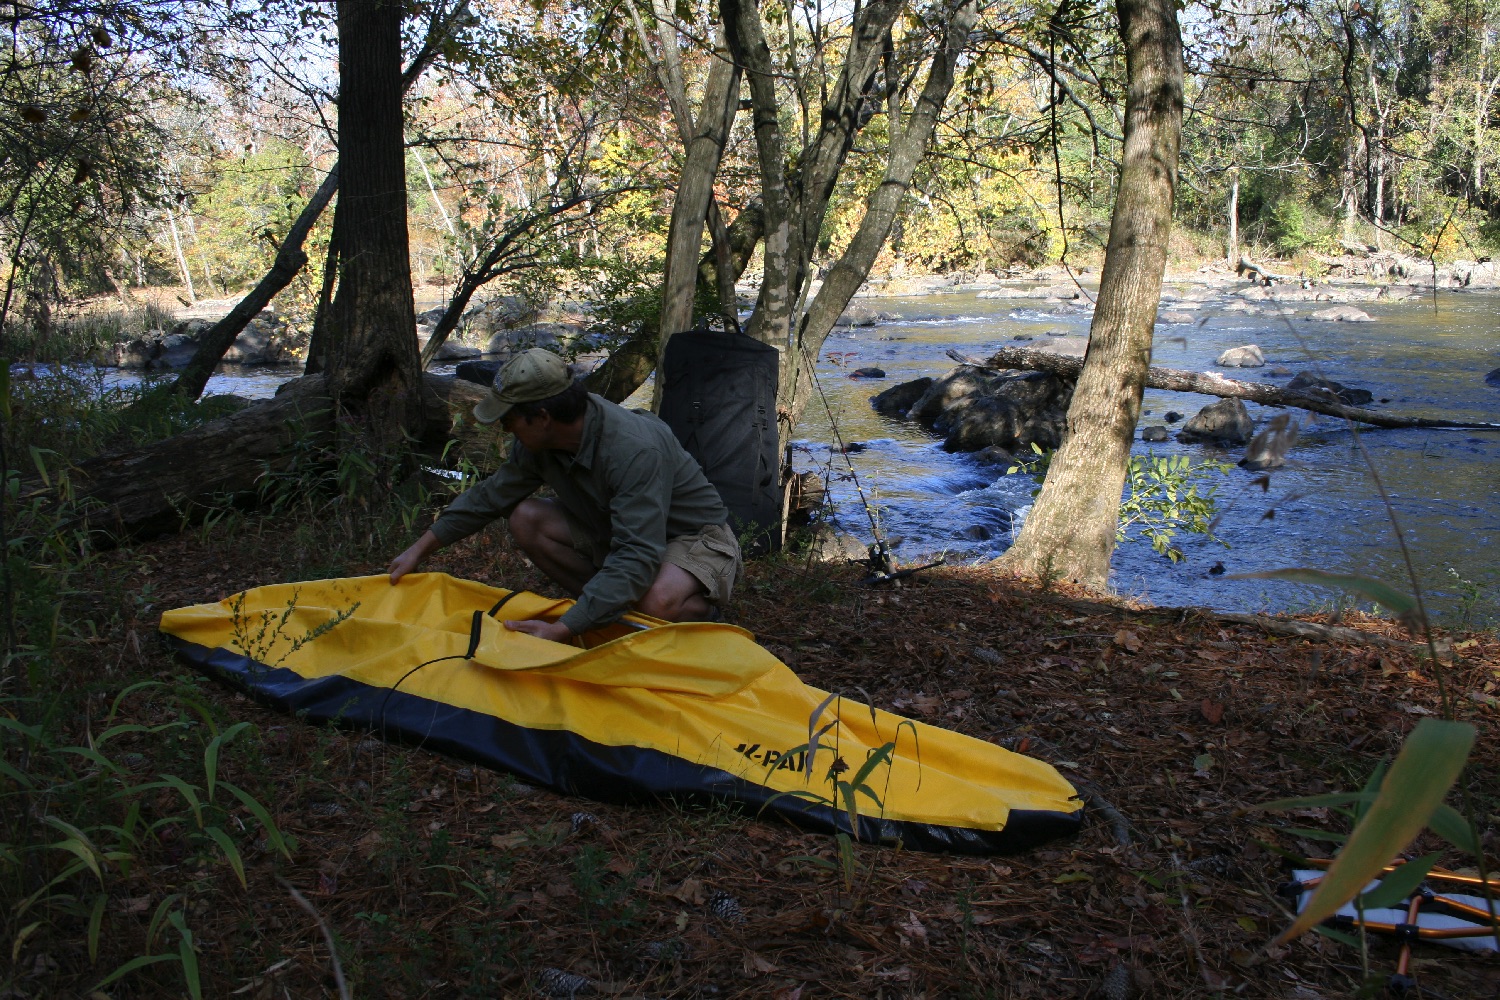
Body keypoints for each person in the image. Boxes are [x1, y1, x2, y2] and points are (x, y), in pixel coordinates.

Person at [388, 348, 741, 643]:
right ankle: (608, 609)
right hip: (620, 530)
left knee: (652, 599)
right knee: (526, 518)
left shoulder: (632, 448)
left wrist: (563, 629)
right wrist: (419, 549)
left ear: (542, 416)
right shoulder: (540, 442)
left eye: (508, 419)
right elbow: (491, 496)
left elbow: (637, 552)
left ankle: (692, 612)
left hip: (693, 539)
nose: (504, 427)